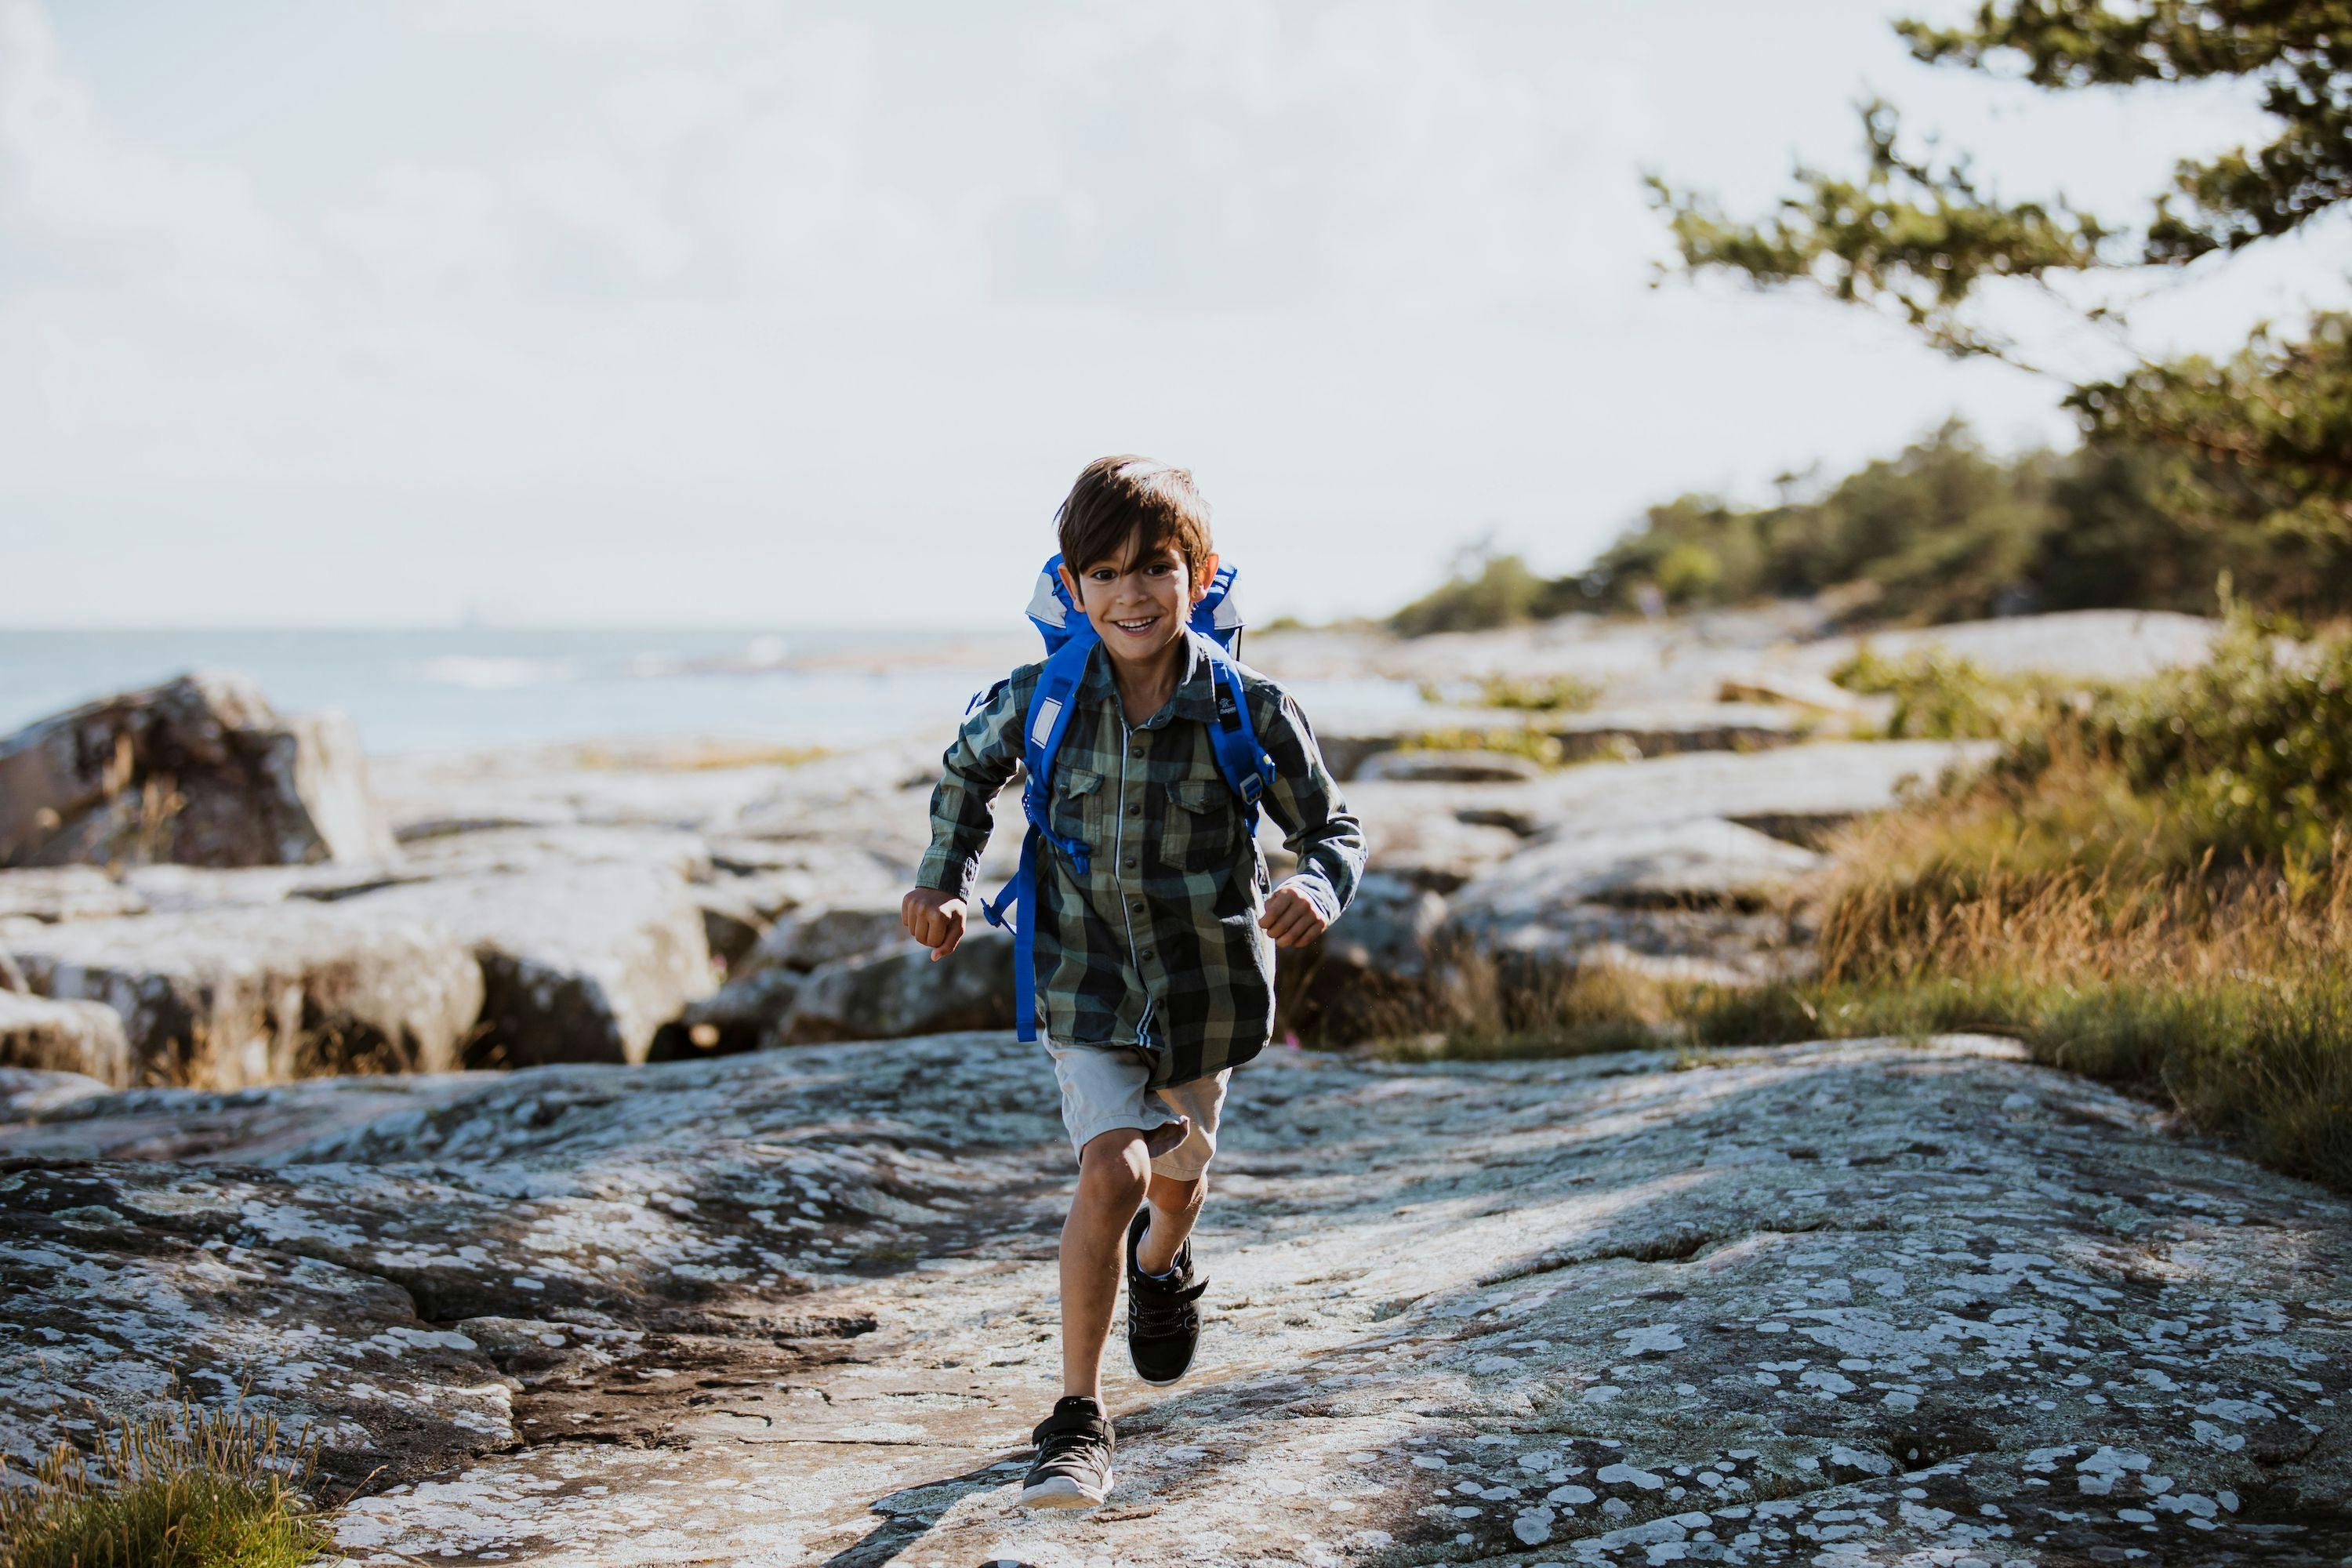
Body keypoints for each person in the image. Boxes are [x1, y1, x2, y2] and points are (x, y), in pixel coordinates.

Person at [900, 455, 1365, 1509]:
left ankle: (1163, 1265)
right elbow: (965, 773)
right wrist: (944, 885)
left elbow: (1332, 825)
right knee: (1108, 1170)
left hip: (1208, 993)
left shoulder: (1249, 707)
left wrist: (1320, 889)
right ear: (1072, 587)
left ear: (1196, 576)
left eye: (1153, 568)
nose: (1130, 594)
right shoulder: (1042, 699)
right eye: (1102, 574)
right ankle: (1075, 1417)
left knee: (1177, 1184)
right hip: (1085, 979)